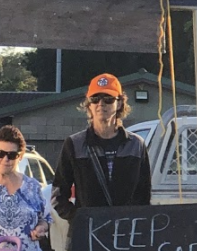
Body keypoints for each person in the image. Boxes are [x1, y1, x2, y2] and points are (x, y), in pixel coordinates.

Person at [52, 74, 151, 219]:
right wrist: (79, 218)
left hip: (126, 233)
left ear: (119, 104)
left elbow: (144, 195)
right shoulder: (74, 144)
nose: (101, 104)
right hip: (87, 234)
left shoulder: (136, 145)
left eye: (108, 99)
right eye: (95, 99)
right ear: (89, 104)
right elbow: (58, 195)